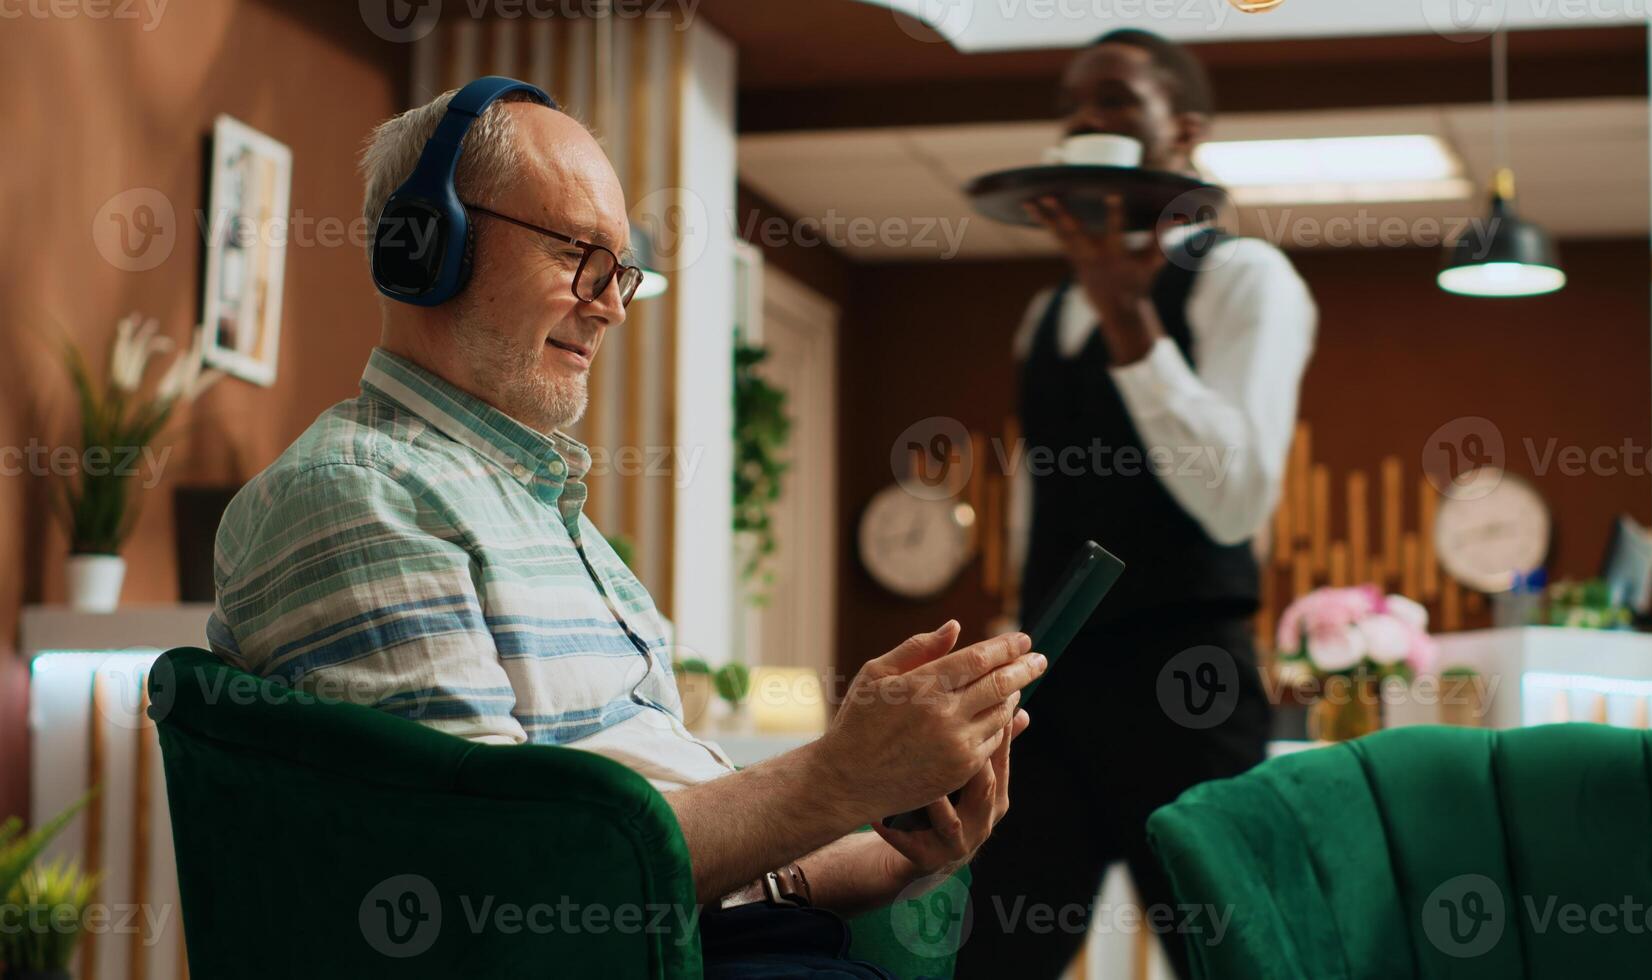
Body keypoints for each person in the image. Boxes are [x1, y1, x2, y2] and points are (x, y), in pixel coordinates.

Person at [207, 80, 1046, 978]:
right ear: (427, 246)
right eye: (580, 254)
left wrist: (909, 840)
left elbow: (688, 857)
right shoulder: (360, 494)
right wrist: (834, 776)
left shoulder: (543, 515)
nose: (610, 304)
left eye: (621, 271)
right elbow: (495, 883)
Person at [957, 30, 1316, 977]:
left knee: (1227, 952)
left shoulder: (1248, 280)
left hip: (1187, 678)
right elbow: (1041, 501)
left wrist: (1130, 314)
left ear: (1183, 131)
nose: (1084, 120)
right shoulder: (1045, 315)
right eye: (1072, 105)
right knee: (994, 951)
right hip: (1053, 682)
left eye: (1115, 102)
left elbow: (1235, 503)